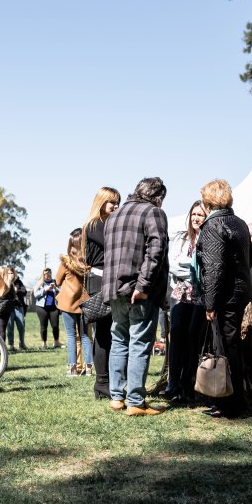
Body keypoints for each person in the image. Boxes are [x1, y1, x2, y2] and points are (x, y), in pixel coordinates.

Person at [103, 177, 169, 416]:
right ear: (158, 197)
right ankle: (136, 402)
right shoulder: (153, 212)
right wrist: (144, 285)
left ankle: (116, 397)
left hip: (114, 289)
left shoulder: (114, 215)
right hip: (139, 290)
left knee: (119, 340)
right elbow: (156, 251)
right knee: (139, 343)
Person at [196, 179, 252, 418]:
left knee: (224, 348)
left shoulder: (213, 225)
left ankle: (228, 402)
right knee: (232, 345)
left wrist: (210, 304)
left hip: (224, 295)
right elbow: (250, 258)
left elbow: (214, 269)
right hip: (240, 292)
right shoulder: (240, 223)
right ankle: (235, 399)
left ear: (207, 201)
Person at [81, 186, 121, 399]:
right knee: (104, 334)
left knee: (109, 333)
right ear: (102, 202)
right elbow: (114, 246)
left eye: (117, 202)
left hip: (109, 281)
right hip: (100, 282)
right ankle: (102, 382)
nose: (116, 206)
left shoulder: (107, 224)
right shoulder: (95, 225)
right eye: (112, 202)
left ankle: (107, 382)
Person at [166, 200, 207, 404]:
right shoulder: (181, 238)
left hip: (200, 294)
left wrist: (192, 269)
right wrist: (192, 270)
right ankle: (172, 383)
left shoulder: (208, 238)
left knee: (193, 339)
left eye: (200, 214)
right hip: (180, 291)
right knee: (177, 336)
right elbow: (172, 264)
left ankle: (187, 385)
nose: (196, 218)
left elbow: (207, 267)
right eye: (194, 214)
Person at [56, 229, 93, 377]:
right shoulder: (89, 262)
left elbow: (57, 281)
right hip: (84, 304)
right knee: (85, 336)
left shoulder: (66, 263)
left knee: (71, 336)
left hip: (67, 304)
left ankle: (72, 369)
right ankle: (89, 368)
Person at [0, 266, 20, 348]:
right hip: (4, 308)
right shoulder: (8, 284)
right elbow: (13, 296)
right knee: (2, 329)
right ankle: (1, 349)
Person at [33, 268, 60, 349]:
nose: (48, 275)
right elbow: (35, 294)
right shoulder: (40, 283)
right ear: (43, 275)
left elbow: (61, 292)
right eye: (46, 274)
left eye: (49, 274)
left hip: (54, 307)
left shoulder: (55, 282)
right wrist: (45, 289)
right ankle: (44, 343)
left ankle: (56, 342)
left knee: (55, 326)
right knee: (43, 326)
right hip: (42, 308)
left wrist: (55, 288)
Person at [6, 270, 28, 351]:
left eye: (12, 273)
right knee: (10, 327)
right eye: (9, 273)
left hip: (19, 308)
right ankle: (11, 345)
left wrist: (17, 290)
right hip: (9, 308)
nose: (11, 275)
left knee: (21, 326)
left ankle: (22, 344)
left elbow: (24, 292)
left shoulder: (19, 282)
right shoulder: (5, 282)